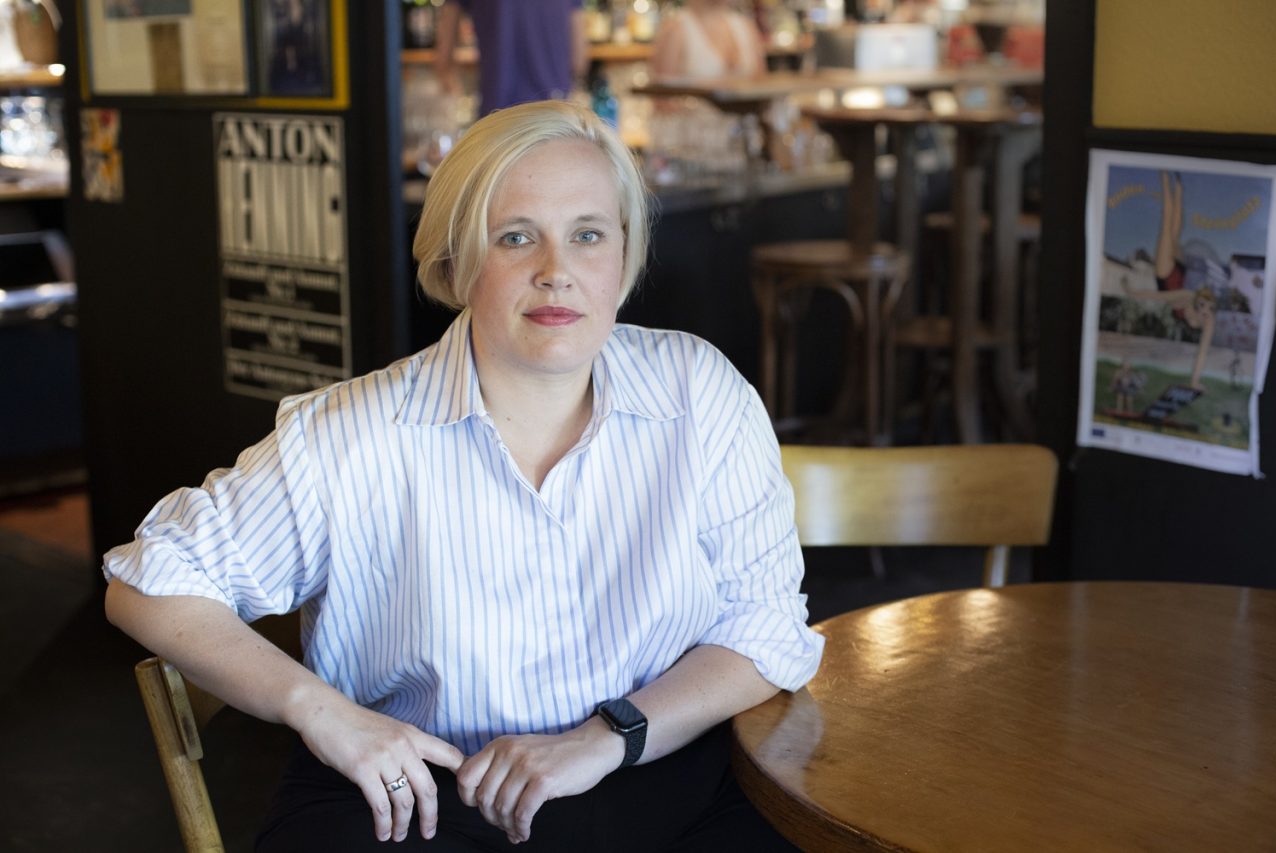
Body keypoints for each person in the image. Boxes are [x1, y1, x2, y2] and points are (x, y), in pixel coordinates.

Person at [103, 100, 823, 851]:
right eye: (516, 237)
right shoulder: (353, 433)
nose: (557, 273)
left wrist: (610, 735)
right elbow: (151, 578)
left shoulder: (697, 391)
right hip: (420, 794)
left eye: (588, 236)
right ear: (456, 260)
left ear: (624, 256)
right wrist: (317, 708)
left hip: (656, 761)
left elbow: (765, 622)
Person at [1122, 171, 1218, 391]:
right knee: (1171, 229)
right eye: (1205, 308)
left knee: (1169, 230)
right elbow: (1159, 296)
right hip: (1175, 275)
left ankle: (1172, 184)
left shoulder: (1195, 306)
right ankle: (1171, 184)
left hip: (1168, 277)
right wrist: (1132, 292)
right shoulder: (1189, 298)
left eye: (1206, 309)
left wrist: (1195, 381)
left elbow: (1202, 352)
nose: (1205, 313)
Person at [436, 0, 587, 117]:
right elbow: (579, 60)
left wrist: (447, 75)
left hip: (496, 106)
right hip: (554, 107)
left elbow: (445, 44)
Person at [649, 0, 765, 79]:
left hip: (748, 115)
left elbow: (762, 85)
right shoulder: (675, 29)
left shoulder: (746, 28)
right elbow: (662, 101)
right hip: (693, 115)